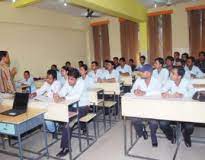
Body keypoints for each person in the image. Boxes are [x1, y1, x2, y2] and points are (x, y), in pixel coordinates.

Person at [54, 68, 89, 157]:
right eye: (69, 78)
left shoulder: (81, 83)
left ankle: (65, 148)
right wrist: (57, 95)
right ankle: (82, 126)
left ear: (77, 79)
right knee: (60, 115)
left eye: (72, 79)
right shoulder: (67, 82)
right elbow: (62, 92)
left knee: (68, 123)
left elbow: (77, 96)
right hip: (71, 106)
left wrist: (64, 98)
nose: (69, 81)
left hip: (83, 107)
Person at [160, 66, 196, 147]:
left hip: (185, 109)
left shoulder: (186, 82)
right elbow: (162, 90)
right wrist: (163, 93)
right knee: (162, 124)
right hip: (171, 108)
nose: (170, 74)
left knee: (190, 127)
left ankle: (186, 135)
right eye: (171, 72)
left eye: (173, 73)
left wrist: (182, 95)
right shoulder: (169, 82)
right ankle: (172, 135)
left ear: (179, 76)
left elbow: (193, 93)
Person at [131, 64, 161, 147]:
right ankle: (142, 130)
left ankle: (153, 135)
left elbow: (159, 93)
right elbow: (132, 89)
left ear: (148, 73)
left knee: (153, 123)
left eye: (142, 72)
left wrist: (145, 93)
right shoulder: (139, 80)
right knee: (134, 119)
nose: (140, 73)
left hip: (153, 107)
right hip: (140, 106)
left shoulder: (156, 81)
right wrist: (135, 91)